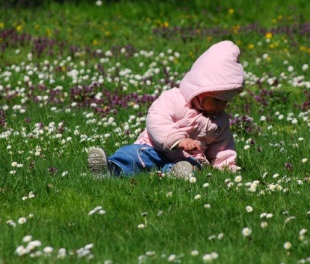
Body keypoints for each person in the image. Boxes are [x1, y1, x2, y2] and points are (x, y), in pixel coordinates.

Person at [87, 40, 245, 178]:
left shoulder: (220, 121)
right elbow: (157, 120)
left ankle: (173, 174)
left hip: (188, 158)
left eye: (225, 101)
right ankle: (111, 168)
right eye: (216, 100)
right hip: (153, 148)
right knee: (134, 154)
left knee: (194, 166)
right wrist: (178, 140)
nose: (220, 106)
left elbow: (223, 147)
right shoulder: (173, 99)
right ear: (200, 91)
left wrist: (226, 167)